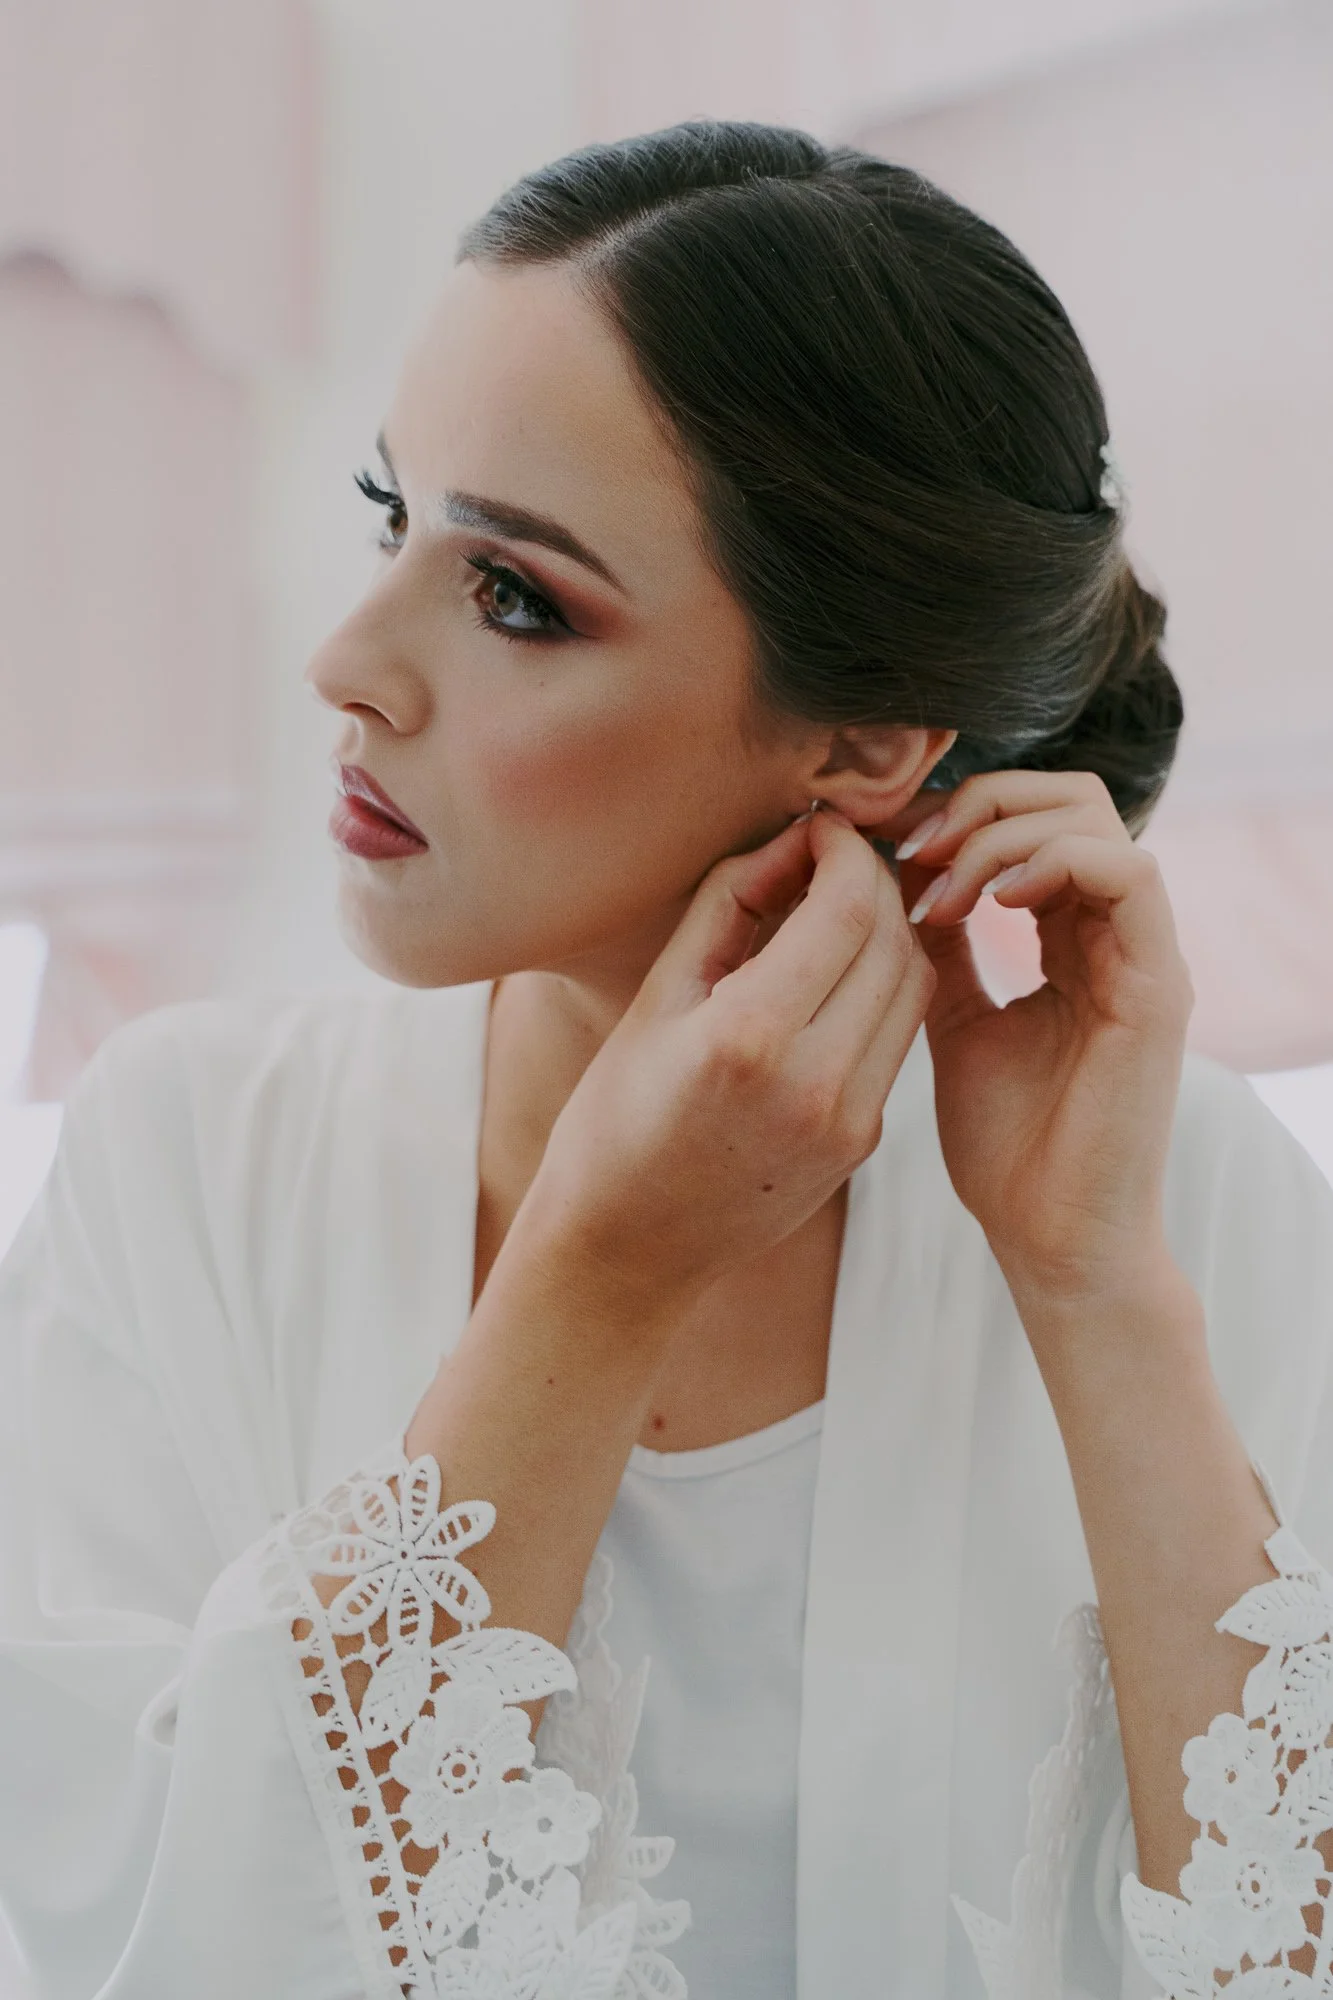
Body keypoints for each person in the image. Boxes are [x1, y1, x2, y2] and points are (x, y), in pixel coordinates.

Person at [2, 119, 1332, 2000]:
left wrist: (1096, 1288)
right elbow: (153, 1953)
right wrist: (592, 1280)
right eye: (396, 523)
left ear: (866, 743)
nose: (346, 663)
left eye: (517, 597)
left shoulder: (1181, 1207)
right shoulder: (184, 1174)